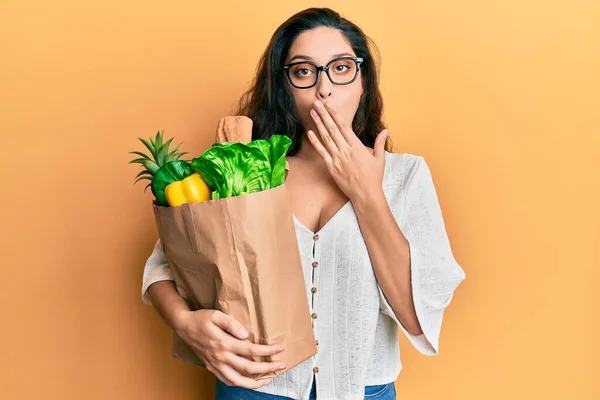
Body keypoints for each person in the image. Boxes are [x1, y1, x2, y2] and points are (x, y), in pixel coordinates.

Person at [141, 7, 466, 400]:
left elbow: (416, 319)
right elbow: (164, 263)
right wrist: (184, 322)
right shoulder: (248, 168)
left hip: (364, 391)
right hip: (252, 389)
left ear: (362, 81)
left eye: (341, 68)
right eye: (303, 71)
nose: (324, 89)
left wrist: (366, 193)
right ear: (285, 87)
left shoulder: (405, 176)